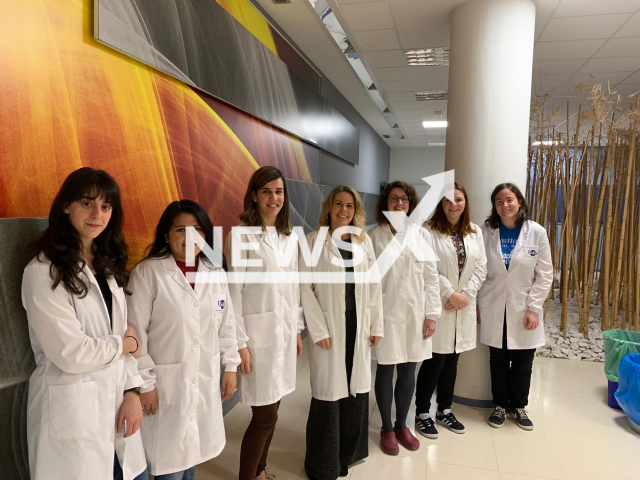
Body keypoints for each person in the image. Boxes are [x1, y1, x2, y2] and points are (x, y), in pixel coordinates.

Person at [21, 167, 147, 480]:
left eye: (106, 207)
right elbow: (72, 353)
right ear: (66, 205)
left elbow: (121, 334)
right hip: (75, 415)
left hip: (118, 407)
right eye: (87, 203)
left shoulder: (106, 264)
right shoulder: (42, 271)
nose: (97, 214)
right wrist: (127, 345)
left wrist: (132, 392)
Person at [127, 200, 239, 479]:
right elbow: (135, 335)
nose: (189, 237)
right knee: (170, 470)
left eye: (197, 229)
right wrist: (146, 384)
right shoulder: (148, 273)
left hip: (203, 381)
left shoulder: (215, 273)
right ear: (166, 235)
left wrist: (231, 366)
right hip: (163, 389)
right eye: (180, 230)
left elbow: (226, 325)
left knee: (190, 461)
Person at [224, 166, 304, 480]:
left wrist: (297, 330)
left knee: (274, 410)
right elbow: (234, 294)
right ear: (254, 196)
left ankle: (260, 471)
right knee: (264, 416)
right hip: (257, 340)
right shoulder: (241, 236)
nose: (274, 198)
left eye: (279, 191)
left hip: (282, 335)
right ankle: (248, 476)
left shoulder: (289, 236)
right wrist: (240, 343)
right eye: (267, 191)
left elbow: (294, 286)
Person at [300, 185, 383, 480]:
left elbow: (374, 286)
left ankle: (348, 454)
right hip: (330, 329)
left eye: (350, 205)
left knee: (355, 389)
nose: (344, 210)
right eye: (338, 204)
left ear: (356, 211)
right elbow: (304, 289)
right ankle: (322, 465)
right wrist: (317, 328)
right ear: (329, 207)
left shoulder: (364, 242)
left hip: (357, 326)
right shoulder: (311, 242)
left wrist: (377, 325)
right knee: (328, 393)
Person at [368, 181, 441, 455]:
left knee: (409, 369)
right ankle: (386, 428)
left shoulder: (421, 236)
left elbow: (431, 278)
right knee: (386, 369)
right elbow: (369, 283)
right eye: (393, 199)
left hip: (414, 313)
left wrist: (431, 315)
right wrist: (372, 321)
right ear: (385, 203)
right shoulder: (374, 237)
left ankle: (402, 425)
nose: (399, 204)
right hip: (385, 315)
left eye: (404, 200)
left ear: (411, 205)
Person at [478, 183, 553, 431]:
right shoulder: (486, 230)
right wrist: (477, 303)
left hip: (524, 307)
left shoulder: (537, 232)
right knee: (497, 359)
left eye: (509, 200)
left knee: (523, 360)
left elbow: (545, 274)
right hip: (494, 304)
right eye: (499, 201)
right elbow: (477, 269)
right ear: (494, 206)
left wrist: (534, 307)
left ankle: (519, 406)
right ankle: (500, 406)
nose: (505, 205)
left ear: (519, 202)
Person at [415, 182, 487, 439]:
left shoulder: (474, 231)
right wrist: (450, 293)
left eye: (458, 199)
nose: (453, 204)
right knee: (433, 361)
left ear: (465, 202)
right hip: (440, 303)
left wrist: (465, 296)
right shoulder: (428, 231)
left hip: (462, 306)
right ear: (440, 204)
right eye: (447, 200)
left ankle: (444, 409)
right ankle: (422, 412)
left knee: (453, 360)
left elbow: (481, 266)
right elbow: (428, 268)